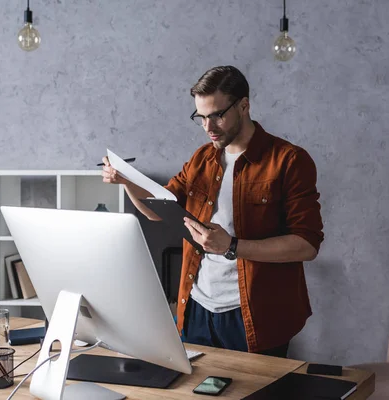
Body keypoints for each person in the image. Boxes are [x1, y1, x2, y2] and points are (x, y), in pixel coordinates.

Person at [102, 65, 323, 358]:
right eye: (201, 117)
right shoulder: (202, 158)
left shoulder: (289, 161)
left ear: (244, 105)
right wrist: (126, 181)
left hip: (255, 315)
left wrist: (231, 246)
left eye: (218, 115)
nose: (208, 127)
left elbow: (306, 246)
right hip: (196, 308)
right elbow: (160, 210)